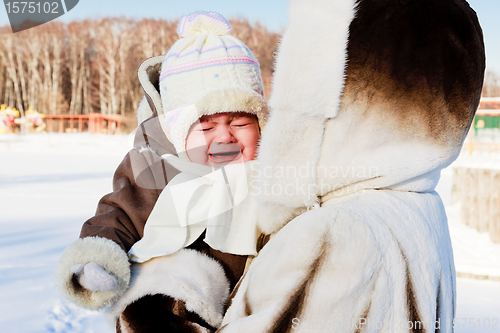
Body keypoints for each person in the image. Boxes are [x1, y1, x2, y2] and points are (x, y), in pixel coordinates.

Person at [56, 11, 268, 332]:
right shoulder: (156, 167)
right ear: (178, 134)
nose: (225, 136)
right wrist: (98, 256)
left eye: (240, 123)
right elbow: (119, 214)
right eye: (206, 126)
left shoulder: (273, 174)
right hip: (167, 297)